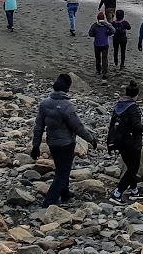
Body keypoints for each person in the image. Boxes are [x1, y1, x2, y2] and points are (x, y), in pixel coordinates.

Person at [30, 74, 96, 207]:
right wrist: (91, 139)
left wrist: (35, 146)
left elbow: (38, 127)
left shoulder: (45, 103)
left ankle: (65, 194)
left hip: (52, 142)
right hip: (66, 143)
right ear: (67, 89)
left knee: (60, 168)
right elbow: (78, 127)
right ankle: (48, 202)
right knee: (63, 173)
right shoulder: (67, 105)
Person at [107, 81, 143, 201]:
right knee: (133, 168)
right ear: (136, 95)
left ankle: (134, 191)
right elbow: (136, 126)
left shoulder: (119, 105)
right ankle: (117, 193)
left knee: (130, 166)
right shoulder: (133, 107)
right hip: (132, 142)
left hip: (120, 141)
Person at [89, 11, 113, 78]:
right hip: (105, 44)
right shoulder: (106, 25)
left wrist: (95, 35)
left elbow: (90, 34)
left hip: (97, 44)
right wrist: (108, 33)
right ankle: (104, 72)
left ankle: (98, 71)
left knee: (97, 58)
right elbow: (113, 30)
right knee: (104, 58)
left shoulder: (95, 25)